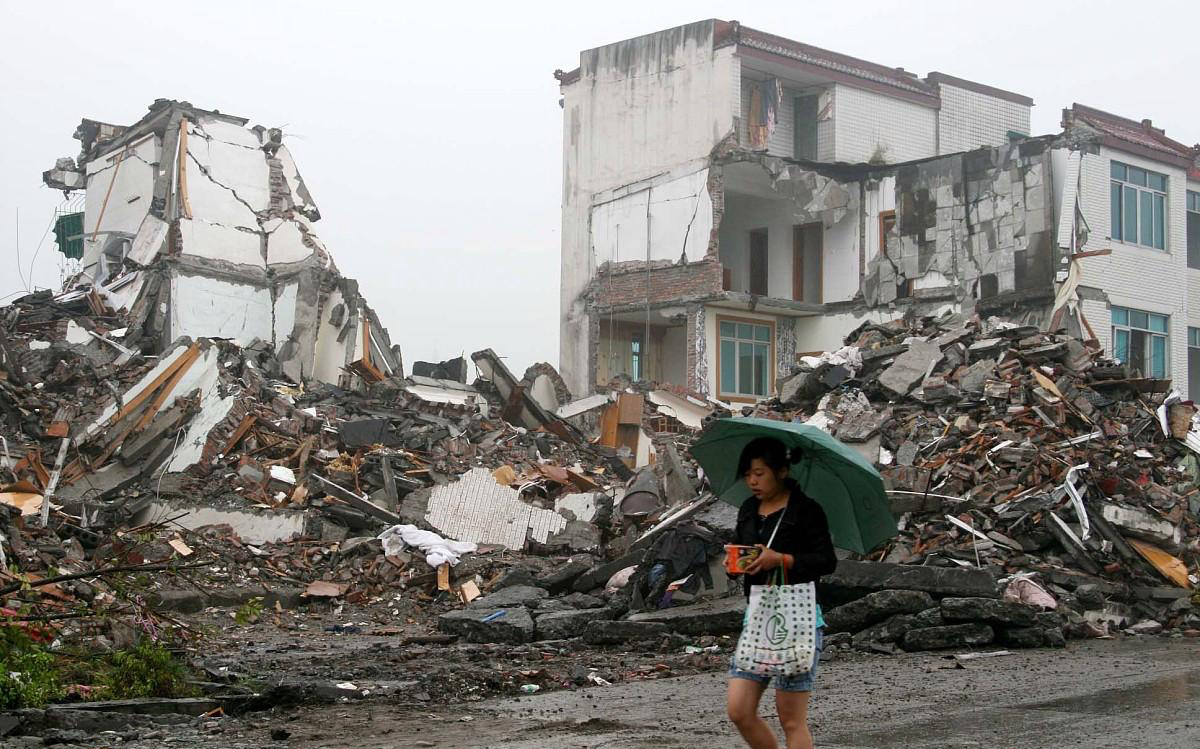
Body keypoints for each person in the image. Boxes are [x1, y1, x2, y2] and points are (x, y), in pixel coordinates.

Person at [726, 437, 837, 749]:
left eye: (759, 473)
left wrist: (782, 559)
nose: (752, 481)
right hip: (759, 617)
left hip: (798, 619)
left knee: (791, 720)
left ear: (783, 471)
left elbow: (827, 561)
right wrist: (735, 563)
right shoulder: (749, 509)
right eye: (747, 474)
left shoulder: (806, 511)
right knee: (739, 710)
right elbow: (743, 549)